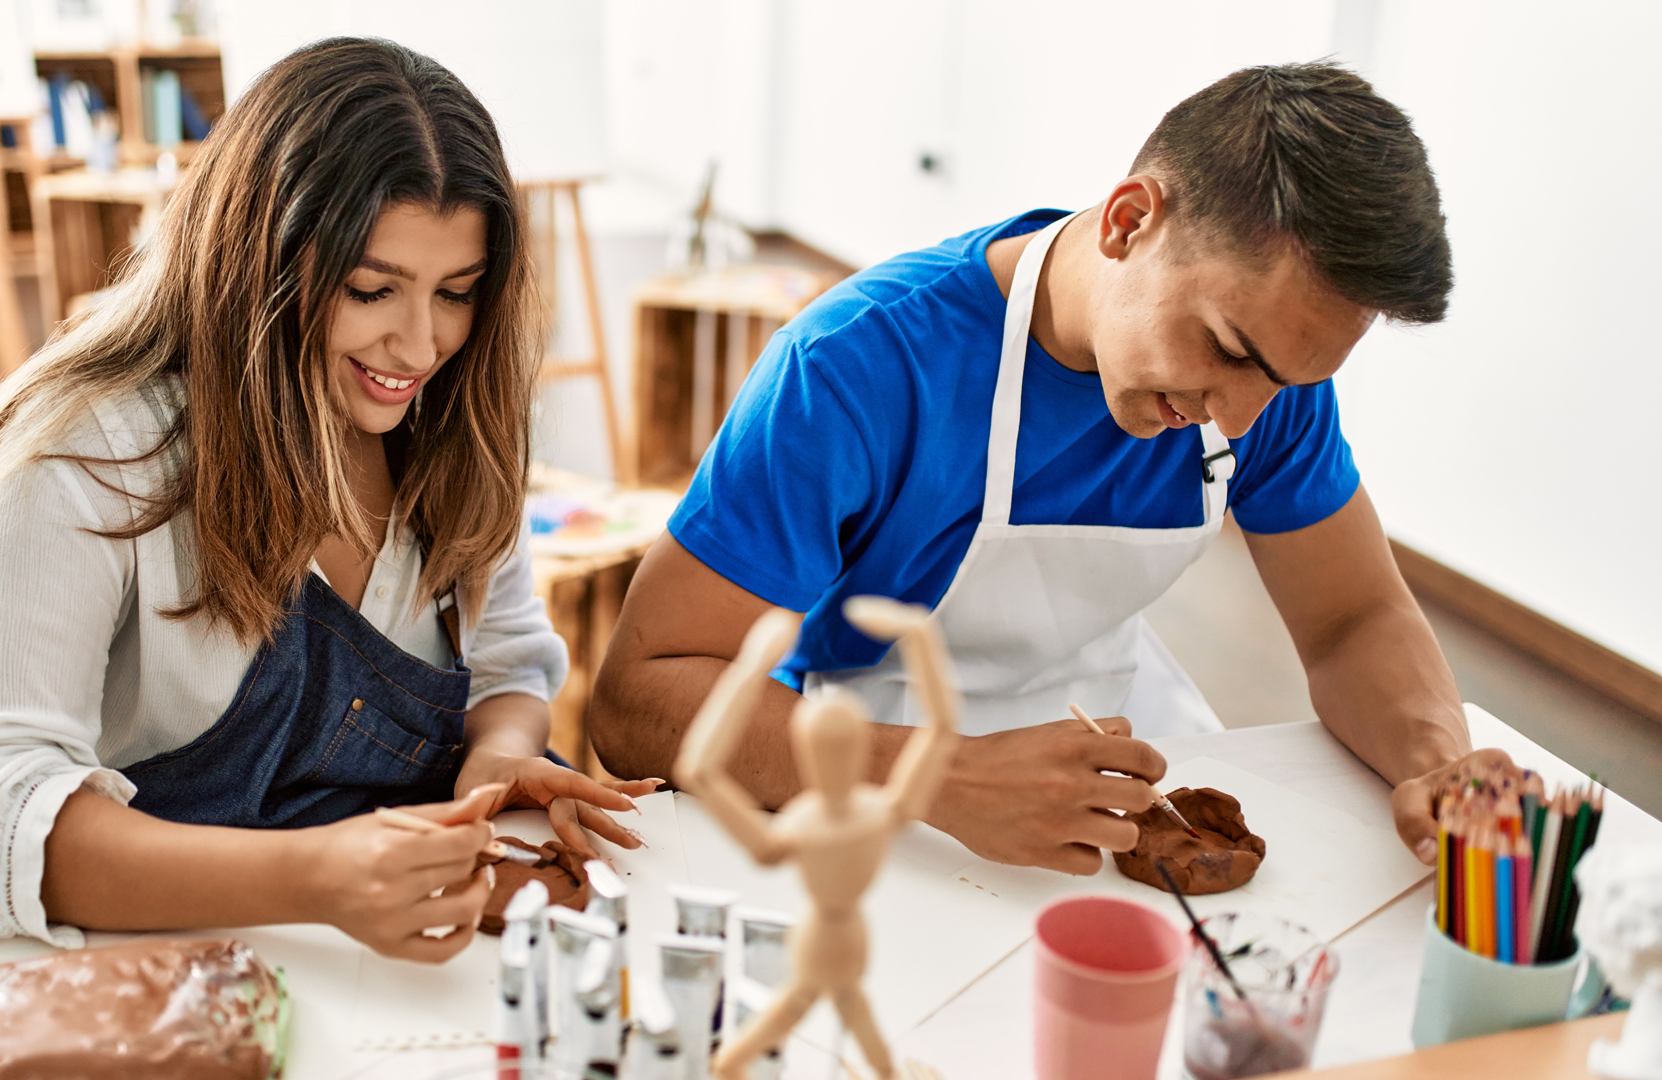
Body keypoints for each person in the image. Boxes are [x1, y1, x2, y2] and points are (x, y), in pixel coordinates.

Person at [591, 62, 1512, 874]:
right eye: (1226, 350)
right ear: (1129, 221)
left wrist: (1438, 763)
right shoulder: (856, 369)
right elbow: (637, 697)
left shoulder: (1265, 379)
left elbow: (1354, 617)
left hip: (1122, 755)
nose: (1236, 416)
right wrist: (937, 775)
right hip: (861, 785)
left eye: (1287, 379)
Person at [0, 38, 655, 961]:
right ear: (259, 263)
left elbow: (506, 668)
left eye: (456, 294)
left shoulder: (453, 428)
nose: (419, 348)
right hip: (173, 964)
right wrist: (315, 879)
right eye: (372, 290)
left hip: (411, 958)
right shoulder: (83, 454)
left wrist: (495, 757)